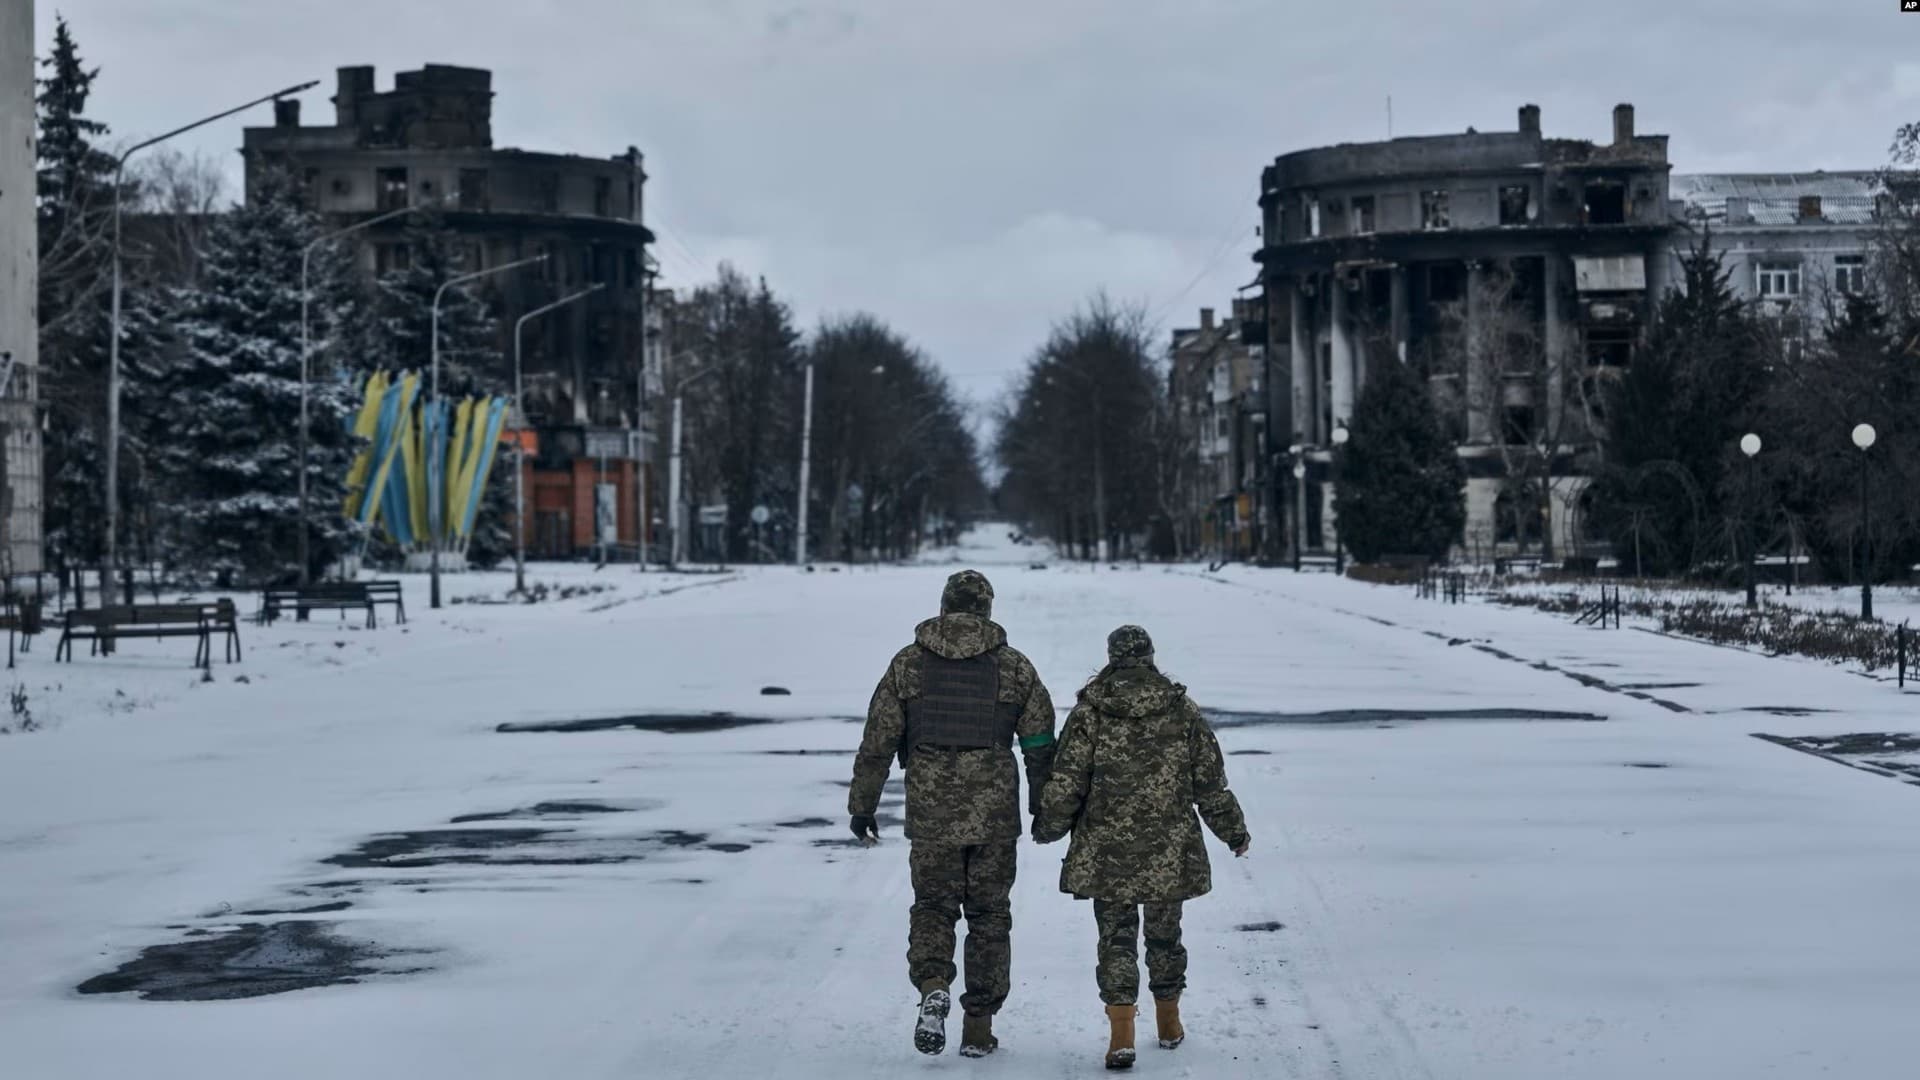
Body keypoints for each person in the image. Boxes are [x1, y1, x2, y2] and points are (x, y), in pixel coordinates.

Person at [848, 569, 1057, 1058]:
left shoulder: (908, 665)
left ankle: (933, 985)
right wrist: (1043, 807)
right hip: (994, 817)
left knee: (934, 907)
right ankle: (979, 1026)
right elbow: (1041, 744)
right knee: (989, 915)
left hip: (932, 813)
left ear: (944, 606)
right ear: (987, 609)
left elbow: (878, 741)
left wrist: (863, 804)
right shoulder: (1015, 667)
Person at [1033, 624, 1250, 1071]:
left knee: (1115, 940)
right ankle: (1169, 1022)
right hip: (1169, 852)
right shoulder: (1181, 710)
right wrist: (1234, 832)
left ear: (1112, 658)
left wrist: (1049, 827)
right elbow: (1210, 784)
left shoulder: (1090, 712)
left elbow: (1068, 781)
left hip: (1106, 849)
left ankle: (1121, 1035)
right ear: (1150, 657)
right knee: (1166, 935)